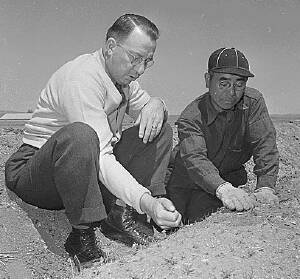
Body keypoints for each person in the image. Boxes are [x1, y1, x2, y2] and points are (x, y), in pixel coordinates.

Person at [5, 14, 182, 266]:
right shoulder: (82, 78)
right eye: (135, 59)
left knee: (159, 131)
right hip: (37, 173)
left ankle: (121, 214)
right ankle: (81, 235)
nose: (140, 70)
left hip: (83, 172)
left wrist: (157, 103)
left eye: (147, 61)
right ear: (111, 47)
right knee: (81, 135)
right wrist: (146, 201)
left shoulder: (125, 80)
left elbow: (147, 111)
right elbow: (101, 156)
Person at [167, 47, 279, 224]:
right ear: (207, 80)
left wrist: (265, 186)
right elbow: (195, 160)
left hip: (225, 179)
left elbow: (265, 144)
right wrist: (223, 189)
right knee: (173, 223)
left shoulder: (253, 103)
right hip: (184, 180)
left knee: (204, 220)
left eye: (239, 84)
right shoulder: (192, 117)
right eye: (224, 83)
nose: (232, 93)